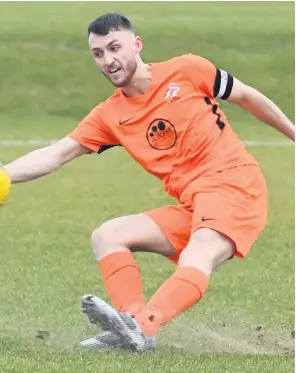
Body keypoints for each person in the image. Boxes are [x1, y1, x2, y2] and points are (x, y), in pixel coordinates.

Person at [2, 13, 294, 352]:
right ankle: (131, 326)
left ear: (136, 45)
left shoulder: (187, 69)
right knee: (108, 236)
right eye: (98, 54)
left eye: (115, 48)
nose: (109, 61)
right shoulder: (109, 115)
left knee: (198, 253)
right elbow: (55, 155)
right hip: (194, 203)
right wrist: (5, 173)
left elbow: (247, 96)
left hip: (235, 187)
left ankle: (143, 327)